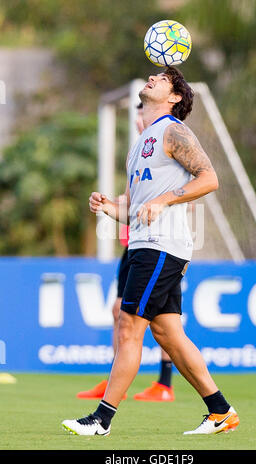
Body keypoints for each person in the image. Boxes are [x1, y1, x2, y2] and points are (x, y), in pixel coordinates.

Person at [62, 66, 240, 436]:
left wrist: (162, 200)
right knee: (168, 334)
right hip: (147, 242)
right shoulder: (140, 144)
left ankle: (101, 419)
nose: (152, 78)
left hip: (162, 246)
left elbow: (209, 178)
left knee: (129, 327)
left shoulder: (175, 130)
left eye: (162, 78)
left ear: (174, 97)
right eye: (153, 75)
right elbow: (135, 206)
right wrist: (110, 206)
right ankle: (220, 411)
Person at [76, 103, 175, 402]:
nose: (137, 117)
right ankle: (129, 382)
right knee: (128, 313)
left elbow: (196, 184)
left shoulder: (169, 143)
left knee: (155, 322)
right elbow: (135, 197)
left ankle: (163, 385)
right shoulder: (138, 151)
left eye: (142, 110)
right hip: (136, 242)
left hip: (158, 244)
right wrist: (114, 205)